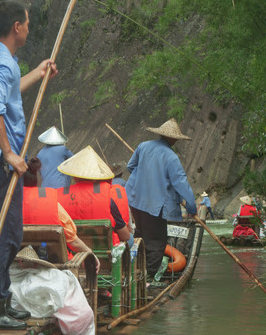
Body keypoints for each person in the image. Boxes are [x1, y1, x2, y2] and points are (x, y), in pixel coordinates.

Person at [0, 0, 58, 330]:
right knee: (7, 236)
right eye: (27, 24)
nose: (29, 29)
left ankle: (0, 298)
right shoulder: (3, 63)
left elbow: (4, 94)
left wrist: (38, 72)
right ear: (17, 27)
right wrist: (10, 154)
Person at [125, 118, 196, 280]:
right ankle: (148, 278)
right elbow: (181, 184)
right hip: (154, 206)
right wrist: (191, 208)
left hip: (135, 202)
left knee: (140, 236)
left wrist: (146, 174)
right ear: (172, 138)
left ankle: (135, 270)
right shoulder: (171, 157)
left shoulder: (143, 146)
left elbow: (130, 167)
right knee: (156, 242)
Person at [22, 158, 100, 273]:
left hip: (19, 263)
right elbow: (73, 241)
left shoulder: (7, 204)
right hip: (56, 266)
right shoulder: (52, 203)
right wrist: (91, 254)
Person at [56, 146, 132, 246]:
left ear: (74, 176)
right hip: (106, 248)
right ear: (97, 176)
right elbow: (125, 236)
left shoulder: (58, 197)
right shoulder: (108, 198)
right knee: (130, 239)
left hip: (73, 250)